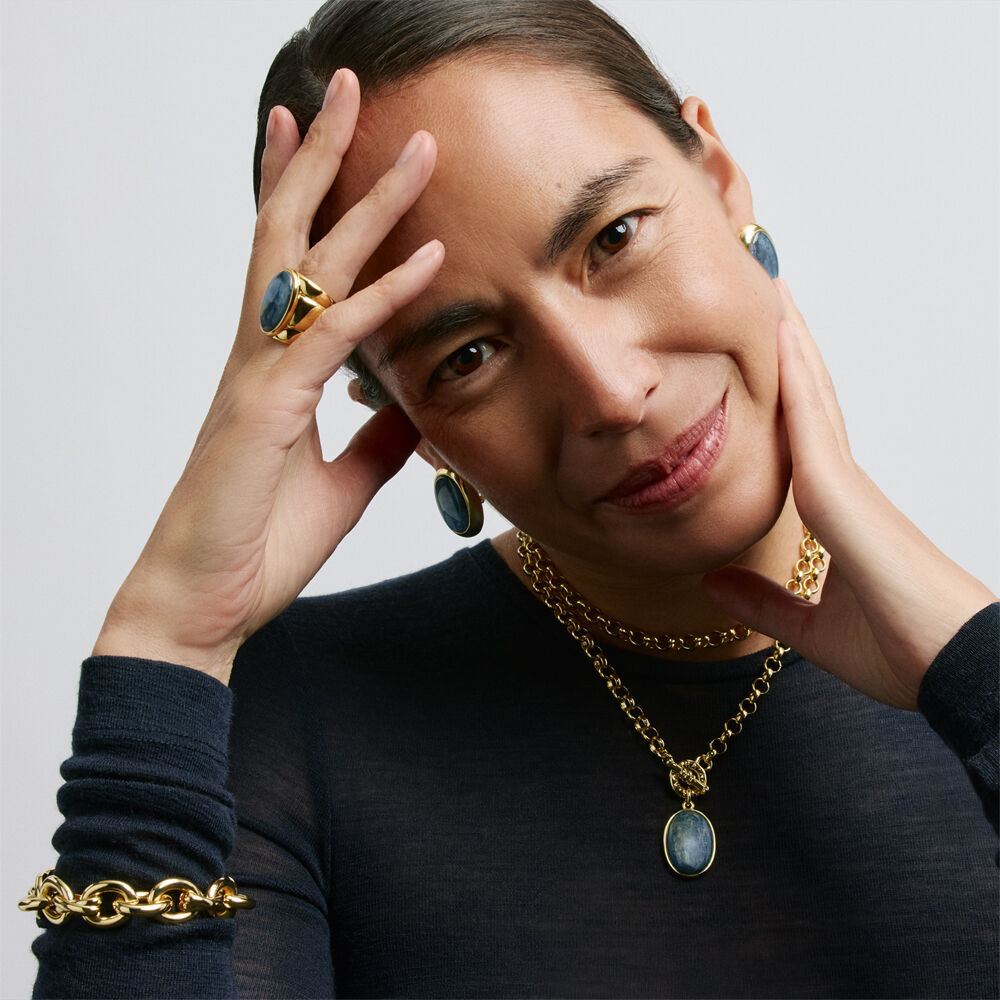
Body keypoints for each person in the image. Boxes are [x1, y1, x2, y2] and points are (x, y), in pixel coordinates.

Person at [21, 1, 997, 997]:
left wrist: (978, 671)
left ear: (716, 174)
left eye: (614, 237)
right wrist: (169, 640)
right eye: (469, 355)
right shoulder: (294, 724)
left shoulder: (976, 683)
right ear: (409, 423)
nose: (610, 393)